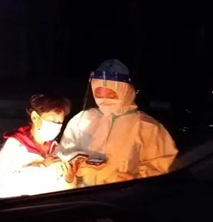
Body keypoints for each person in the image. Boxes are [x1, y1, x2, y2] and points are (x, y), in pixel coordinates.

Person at [60, 59, 177, 187]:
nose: (104, 100)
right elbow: (64, 154)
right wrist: (72, 170)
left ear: (125, 91)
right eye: (99, 94)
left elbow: (163, 168)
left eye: (111, 94)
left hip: (123, 195)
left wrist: (136, 180)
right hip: (84, 193)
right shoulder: (82, 120)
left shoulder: (148, 127)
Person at [0, 94, 75, 199]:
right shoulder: (15, 146)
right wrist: (42, 166)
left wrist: (69, 180)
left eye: (59, 122)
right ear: (35, 117)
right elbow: (7, 184)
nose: (56, 126)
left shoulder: (56, 148)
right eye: (52, 120)